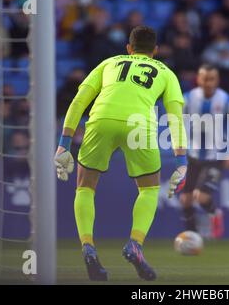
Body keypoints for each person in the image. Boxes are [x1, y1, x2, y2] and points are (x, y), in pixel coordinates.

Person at [54, 26, 188, 281]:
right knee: (148, 189)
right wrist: (181, 161)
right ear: (155, 51)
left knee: (85, 187)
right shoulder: (166, 73)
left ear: (128, 48)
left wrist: (64, 142)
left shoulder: (109, 63)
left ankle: (87, 246)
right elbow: (175, 119)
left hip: (101, 119)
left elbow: (79, 101)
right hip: (140, 125)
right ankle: (135, 243)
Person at [180, 64, 229, 239]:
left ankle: (214, 213)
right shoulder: (187, 99)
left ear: (217, 81)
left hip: (215, 156)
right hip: (192, 156)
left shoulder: (227, 101)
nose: (208, 82)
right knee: (185, 199)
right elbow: (175, 123)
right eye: (204, 78)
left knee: (200, 197)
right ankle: (192, 236)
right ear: (198, 79)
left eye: (211, 79)